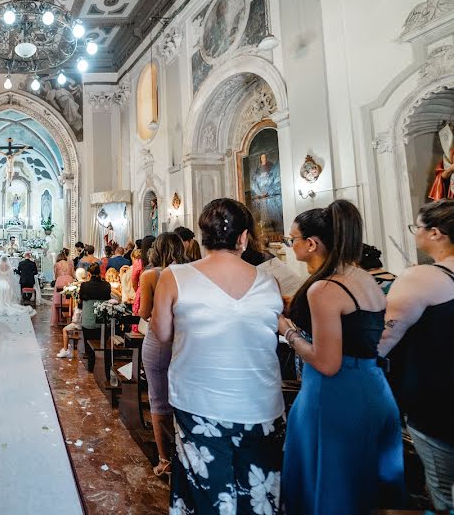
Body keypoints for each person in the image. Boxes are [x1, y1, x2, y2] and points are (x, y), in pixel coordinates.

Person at [152, 199, 285, 513]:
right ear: (242, 238)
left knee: (206, 492)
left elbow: (162, 334)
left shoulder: (174, 276)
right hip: (259, 403)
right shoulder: (269, 281)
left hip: (199, 401)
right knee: (258, 490)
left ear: (202, 237)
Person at [279, 200, 405, 514]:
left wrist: (287, 331)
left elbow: (327, 362)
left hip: (334, 396)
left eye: (291, 239)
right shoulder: (362, 277)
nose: (290, 245)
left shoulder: (324, 288)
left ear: (311, 244)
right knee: (364, 490)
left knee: (331, 491)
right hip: (374, 387)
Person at [378, 200, 454, 511]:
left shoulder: (423, 278)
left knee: (443, 492)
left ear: (435, 233)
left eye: (417, 228)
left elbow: (382, 341)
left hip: (438, 403)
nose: (415, 234)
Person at [137, 232, 188, 477]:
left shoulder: (150, 275)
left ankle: (164, 459)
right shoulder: (190, 273)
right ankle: (184, 451)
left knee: (158, 399)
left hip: (158, 341)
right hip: (184, 341)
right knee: (183, 396)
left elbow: (145, 312)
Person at [78, 263, 112, 372]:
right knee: (101, 340)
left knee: (88, 341)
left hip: (88, 318)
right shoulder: (107, 285)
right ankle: (103, 365)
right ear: (100, 272)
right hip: (102, 319)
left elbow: (80, 301)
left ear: (89, 273)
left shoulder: (85, 286)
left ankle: (91, 364)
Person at [56, 268, 87, 358]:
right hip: (87, 317)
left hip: (80, 318)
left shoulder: (77, 287)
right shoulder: (86, 285)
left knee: (65, 329)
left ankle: (65, 349)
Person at [51, 249, 75, 325]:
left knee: (58, 298)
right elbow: (73, 275)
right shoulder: (70, 264)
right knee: (69, 298)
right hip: (69, 280)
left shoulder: (57, 264)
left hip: (60, 280)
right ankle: (69, 316)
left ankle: (59, 317)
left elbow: (55, 276)